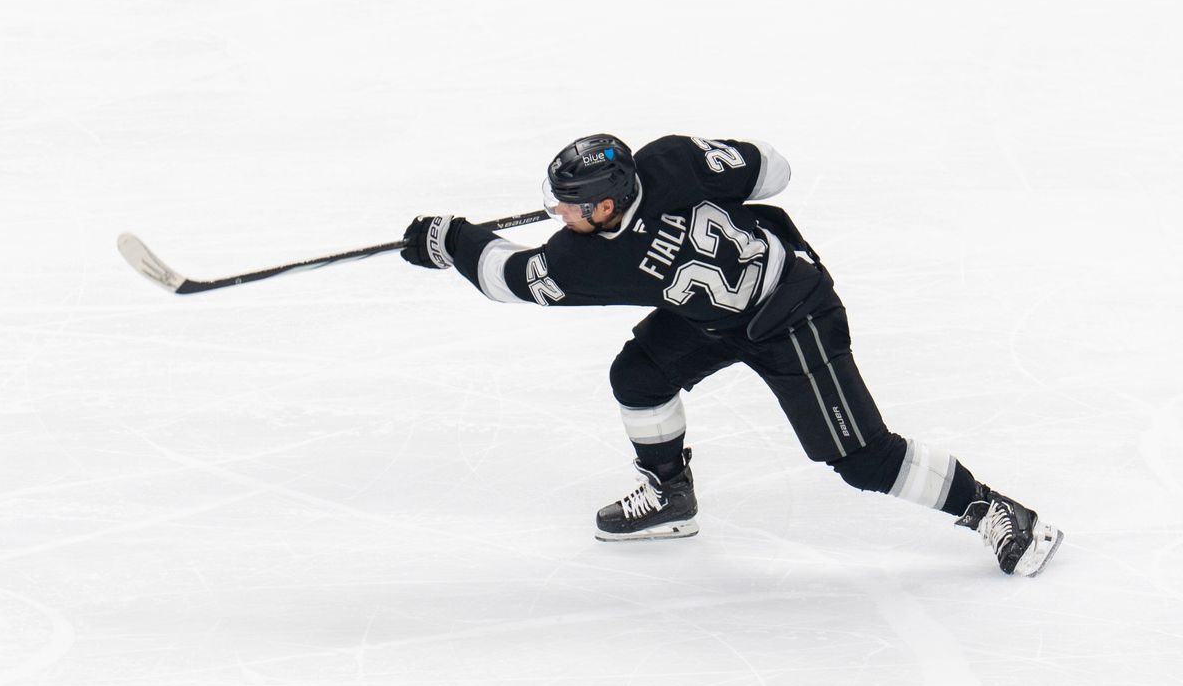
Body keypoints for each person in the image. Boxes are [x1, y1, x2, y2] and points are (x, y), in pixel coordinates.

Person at [401, 134, 1064, 576]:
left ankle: (998, 511)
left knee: (862, 459)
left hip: (793, 315)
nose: (559, 215)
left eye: (571, 206)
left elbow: (509, 281)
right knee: (640, 373)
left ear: (607, 203)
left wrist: (450, 240)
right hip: (722, 310)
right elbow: (774, 170)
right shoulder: (667, 162)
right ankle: (671, 493)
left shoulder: (587, 257)